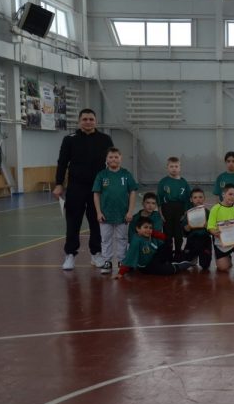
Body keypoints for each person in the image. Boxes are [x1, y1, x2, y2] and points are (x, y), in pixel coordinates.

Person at [53, 108, 114, 270]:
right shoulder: (69, 139)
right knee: (73, 222)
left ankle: (96, 254)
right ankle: (70, 254)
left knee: (96, 221)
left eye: (91, 119)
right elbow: (62, 162)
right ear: (79, 121)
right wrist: (59, 184)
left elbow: (111, 162)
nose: (88, 122)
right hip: (76, 187)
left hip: (98, 189)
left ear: (96, 121)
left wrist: (112, 183)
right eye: (85, 119)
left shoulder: (105, 139)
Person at [92, 147, 138, 275]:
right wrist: (98, 212)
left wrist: (130, 211)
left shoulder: (126, 174)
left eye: (116, 157)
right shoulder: (102, 175)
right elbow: (96, 194)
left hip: (122, 214)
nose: (113, 159)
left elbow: (132, 192)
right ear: (106, 159)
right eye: (111, 157)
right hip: (106, 214)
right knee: (105, 239)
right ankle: (107, 261)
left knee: (122, 238)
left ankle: (122, 261)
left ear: (121, 159)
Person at [113, 217, 192, 279]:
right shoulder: (136, 241)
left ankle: (169, 261)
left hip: (153, 258)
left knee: (167, 243)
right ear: (138, 229)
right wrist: (121, 273)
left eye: (150, 228)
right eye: (145, 227)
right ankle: (178, 266)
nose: (148, 230)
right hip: (147, 266)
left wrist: (152, 232)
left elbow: (164, 237)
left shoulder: (150, 235)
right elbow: (129, 257)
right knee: (168, 271)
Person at [207, 184, 234, 272]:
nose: (233, 197)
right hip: (220, 243)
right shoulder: (215, 209)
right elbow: (210, 227)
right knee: (224, 268)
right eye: (230, 194)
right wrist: (215, 232)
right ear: (223, 194)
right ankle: (226, 257)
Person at [157, 157, 191, 258]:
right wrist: (160, 213)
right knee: (167, 233)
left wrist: (185, 213)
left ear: (180, 168)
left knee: (178, 234)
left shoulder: (184, 182)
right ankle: (168, 254)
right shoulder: (163, 182)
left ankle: (178, 253)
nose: (174, 169)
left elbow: (188, 199)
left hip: (180, 209)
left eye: (176, 166)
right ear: (167, 167)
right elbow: (159, 199)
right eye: (171, 166)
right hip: (167, 209)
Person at [182, 188, 213, 271]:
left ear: (204, 198)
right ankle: (193, 255)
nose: (198, 199)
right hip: (192, 240)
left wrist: (208, 226)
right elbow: (185, 231)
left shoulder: (208, 212)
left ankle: (200, 254)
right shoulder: (188, 213)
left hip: (205, 240)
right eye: (195, 197)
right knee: (185, 261)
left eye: (200, 197)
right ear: (191, 199)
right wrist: (188, 227)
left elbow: (213, 230)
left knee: (205, 265)